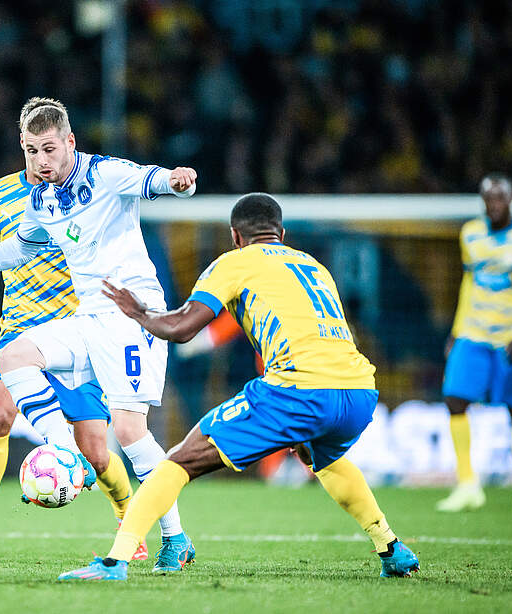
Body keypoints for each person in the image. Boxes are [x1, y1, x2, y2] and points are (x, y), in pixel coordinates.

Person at [57, 193, 420, 581]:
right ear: (282, 233)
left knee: (178, 462)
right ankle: (392, 548)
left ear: (235, 236)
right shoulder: (313, 265)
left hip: (297, 389)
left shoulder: (233, 263)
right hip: (359, 391)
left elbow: (181, 328)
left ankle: (115, 561)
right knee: (324, 459)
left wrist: (139, 313)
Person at [0, 101, 197, 571]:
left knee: (130, 433)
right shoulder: (42, 200)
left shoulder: (107, 175)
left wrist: (178, 181)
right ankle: (60, 447)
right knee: (14, 355)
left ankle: (175, 537)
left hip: (131, 314)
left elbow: (154, 180)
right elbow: (17, 249)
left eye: (48, 149)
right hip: (88, 318)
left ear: (70, 142)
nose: (40, 161)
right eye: (31, 151)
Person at [437, 174, 512, 512]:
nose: (493, 205)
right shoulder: (470, 232)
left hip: (508, 336)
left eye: (499, 198)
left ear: (511, 198)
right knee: (454, 398)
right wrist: (456, 330)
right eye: (488, 199)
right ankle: (468, 484)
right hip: (473, 331)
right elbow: (470, 281)